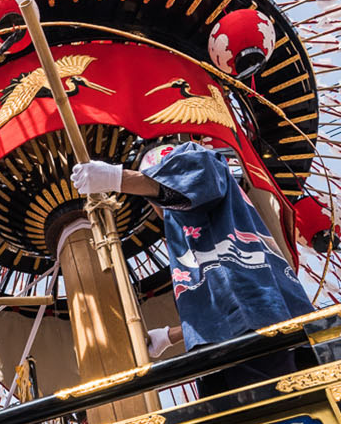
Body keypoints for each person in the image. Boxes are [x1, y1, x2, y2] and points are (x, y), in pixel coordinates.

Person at [71, 139, 314, 393]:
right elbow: (220, 311)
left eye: (156, 184)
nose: (155, 206)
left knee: (270, 409)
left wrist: (117, 178)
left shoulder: (202, 163)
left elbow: (196, 174)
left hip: (258, 330)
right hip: (230, 342)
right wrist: (172, 335)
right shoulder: (186, 232)